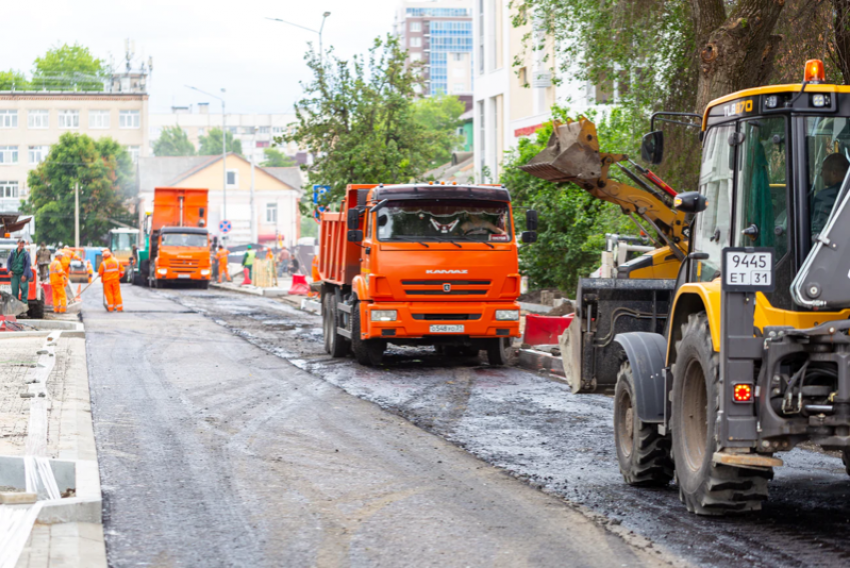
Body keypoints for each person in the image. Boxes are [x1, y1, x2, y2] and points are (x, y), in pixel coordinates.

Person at [812, 153, 850, 236]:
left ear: (834, 173)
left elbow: (817, 230)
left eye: (823, 170)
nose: (821, 174)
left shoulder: (823, 197)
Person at [6, 239, 32, 307]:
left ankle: (24, 305)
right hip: (14, 274)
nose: (21, 245)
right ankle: (14, 306)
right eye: (20, 243)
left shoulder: (26, 253)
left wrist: (25, 275)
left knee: (24, 289)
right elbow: (8, 262)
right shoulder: (13, 252)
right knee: (14, 289)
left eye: (23, 244)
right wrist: (9, 271)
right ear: (17, 243)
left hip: (22, 273)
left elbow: (27, 265)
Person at [98, 248, 125, 312]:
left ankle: (110, 308)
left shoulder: (103, 263)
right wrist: (120, 276)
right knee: (117, 294)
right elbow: (122, 270)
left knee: (109, 294)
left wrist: (100, 274)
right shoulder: (116, 261)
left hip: (107, 281)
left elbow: (100, 273)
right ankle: (120, 308)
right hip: (115, 280)